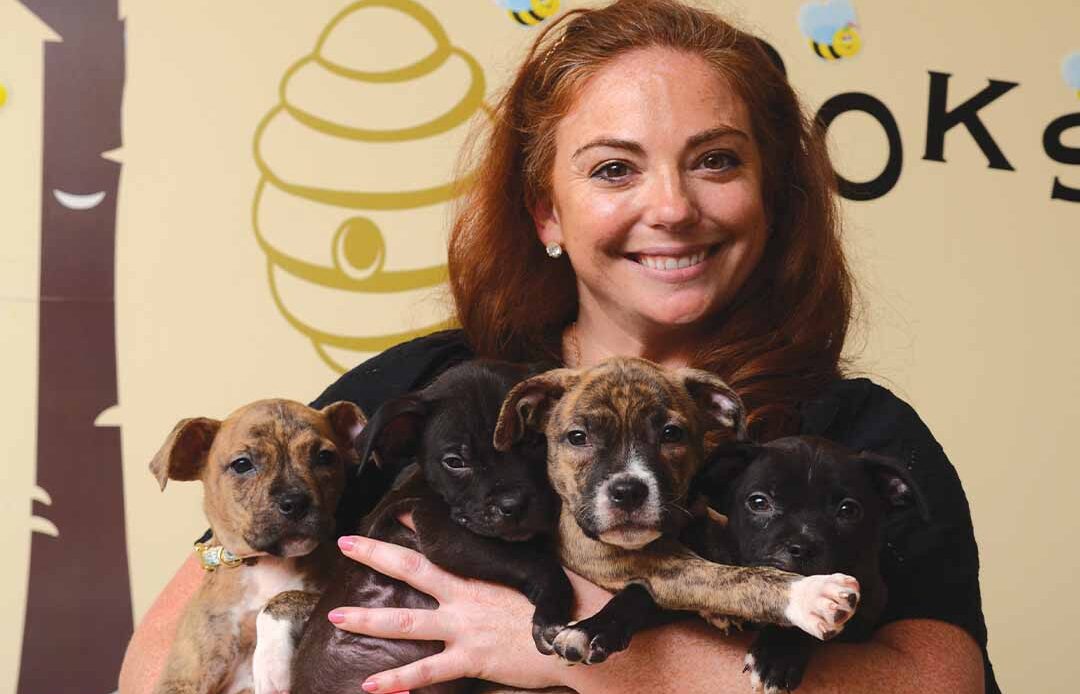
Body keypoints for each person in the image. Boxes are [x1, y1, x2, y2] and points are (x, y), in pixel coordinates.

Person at [119, 1, 998, 692]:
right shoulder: (433, 385)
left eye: (717, 161)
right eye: (614, 168)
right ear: (546, 212)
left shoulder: (855, 433)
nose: (673, 208)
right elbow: (164, 651)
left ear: (772, 199)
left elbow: (938, 684)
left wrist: (567, 643)